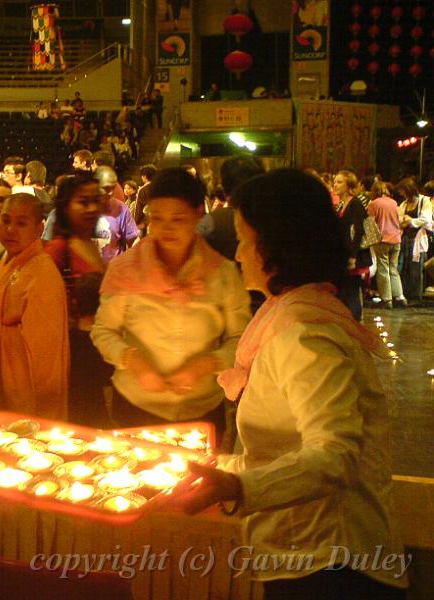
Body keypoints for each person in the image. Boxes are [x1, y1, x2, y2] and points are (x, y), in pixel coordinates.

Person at [169, 168, 407, 600]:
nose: (237, 253)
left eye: (243, 238)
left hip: (333, 568)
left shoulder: (305, 335)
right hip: (304, 556)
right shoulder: (285, 316)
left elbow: (333, 455)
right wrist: (221, 470)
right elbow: (279, 450)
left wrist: (239, 487)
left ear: (276, 244)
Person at [91, 168, 251, 440]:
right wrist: (134, 360)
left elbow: (242, 339)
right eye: (157, 218)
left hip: (201, 406)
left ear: (198, 213)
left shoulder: (221, 272)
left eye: (178, 219)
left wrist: (206, 364)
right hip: (136, 403)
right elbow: (103, 331)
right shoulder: (125, 269)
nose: (166, 229)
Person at [0, 193, 69, 419]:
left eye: (21, 223)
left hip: (22, 382)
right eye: (6, 220)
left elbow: (46, 350)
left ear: (39, 228)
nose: (11, 229)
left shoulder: (43, 272)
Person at [44, 172, 111, 427]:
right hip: (75, 350)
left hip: (94, 347)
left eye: (96, 200)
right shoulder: (59, 249)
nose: (92, 208)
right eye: (83, 201)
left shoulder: (90, 244)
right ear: (65, 206)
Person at [333, 169, 371, 320]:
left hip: (354, 255)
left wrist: (353, 256)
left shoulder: (354, 203)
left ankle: (355, 325)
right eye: (335, 181)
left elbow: (359, 231)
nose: (335, 185)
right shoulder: (342, 204)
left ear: (349, 185)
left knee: (352, 293)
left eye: (340, 182)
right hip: (346, 253)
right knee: (345, 292)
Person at [368, 180, 405, 309]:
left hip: (383, 240)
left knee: (383, 270)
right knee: (393, 269)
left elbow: (370, 224)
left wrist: (370, 242)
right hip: (396, 239)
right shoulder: (394, 202)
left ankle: (387, 299)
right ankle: (399, 297)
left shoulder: (373, 204)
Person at [396, 178, 432, 301]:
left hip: (417, 238)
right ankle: (405, 294)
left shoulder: (424, 201)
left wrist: (410, 221)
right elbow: (399, 218)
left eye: (403, 191)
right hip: (405, 238)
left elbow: (426, 219)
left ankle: (416, 297)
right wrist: (403, 220)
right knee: (404, 266)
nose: (402, 194)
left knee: (416, 267)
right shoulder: (404, 203)